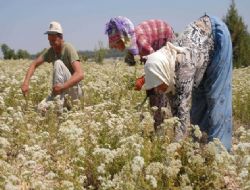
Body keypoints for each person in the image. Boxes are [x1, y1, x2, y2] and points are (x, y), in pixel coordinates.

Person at [143, 15, 233, 151]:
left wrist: (176, 149)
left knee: (216, 100)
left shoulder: (182, 68)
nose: (159, 90)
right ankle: (201, 147)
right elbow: (176, 109)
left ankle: (220, 153)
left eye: (158, 85)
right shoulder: (167, 67)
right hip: (200, 53)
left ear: (163, 74)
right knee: (197, 109)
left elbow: (182, 113)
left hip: (217, 37)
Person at [105, 16, 175, 129]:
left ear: (123, 40)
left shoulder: (141, 43)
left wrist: (143, 81)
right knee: (153, 89)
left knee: (161, 89)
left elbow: (155, 65)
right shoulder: (132, 45)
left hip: (165, 39)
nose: (115, 48)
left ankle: (161, 126)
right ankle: (159, 123)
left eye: (116, 45)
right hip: (154, 47)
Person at [21, 21, 83, 112]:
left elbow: (80, 74)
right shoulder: (51, 50)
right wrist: (26, 82)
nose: (51, 44)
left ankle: (58, 107)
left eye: (53, 41)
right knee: (39, 109)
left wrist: (62, 87)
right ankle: (58, 104)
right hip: (60, 91)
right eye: (49, 41)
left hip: (74, 92)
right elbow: (34, 64)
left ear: (61, 37)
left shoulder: (68, 48)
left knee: (58, 63)